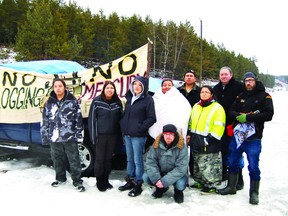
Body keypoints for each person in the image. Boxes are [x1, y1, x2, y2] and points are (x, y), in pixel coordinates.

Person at [216, 72, 274, 205]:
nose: (248, 83)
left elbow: (269, 114)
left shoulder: (264, 96)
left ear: (255, 81)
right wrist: (239, 116)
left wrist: (248, 117)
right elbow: (231, 111)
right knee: (232, 161)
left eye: (251, 80)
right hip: (237, 136)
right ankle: (231, 186)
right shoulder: (241, 95)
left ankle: (254, 193)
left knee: (253, 166)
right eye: (246, 80)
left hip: (254, 138)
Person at [41, 78, 85, 192]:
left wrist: (79, 135)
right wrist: (45, 135)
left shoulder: (72, 101)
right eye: (55, 86)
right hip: (54, 136)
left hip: (70, 136)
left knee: (74, 159)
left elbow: (78, 119)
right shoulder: (49, 102)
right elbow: (45, 119)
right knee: (57, 159)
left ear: (64, 87)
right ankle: (60, 178)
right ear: (53, 88)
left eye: (60, 86)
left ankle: (77, 181)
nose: (58, 88)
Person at [118, 76, 156, 197]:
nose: (137, 87)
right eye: (135, 84)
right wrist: (123, 124)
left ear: (144, 87)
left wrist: (140, 128)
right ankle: (130, 180)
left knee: (137, 160)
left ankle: (138, 183)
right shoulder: (129, 97)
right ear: (132, 86)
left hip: (138, 136)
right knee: (129, 159)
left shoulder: (148, 99)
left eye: (140, 85)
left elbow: (152, 118)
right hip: (128, 134)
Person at [187, 85, 226, 194]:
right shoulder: (196, 106)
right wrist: (190, 134)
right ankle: (200, 181)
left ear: (211, 94)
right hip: (196, 139)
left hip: (209, 140)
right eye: (202, 92)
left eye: (206, 92)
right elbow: (191, 122)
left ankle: (211, 184)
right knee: (198, 163)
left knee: (209, 164)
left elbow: (219, 125)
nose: (204, 94)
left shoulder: (217, 107)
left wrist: (210, 139)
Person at [213, 66, 245, 189]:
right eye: (221, 75)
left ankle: (239, 178)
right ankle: (224, 174)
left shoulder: (239, 87)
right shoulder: (216, 88)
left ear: (231, 75)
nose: (224, 76)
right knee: (223, 151)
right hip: (220, 126)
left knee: (236, 152)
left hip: (235, 125)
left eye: (226, 74)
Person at [88, 81, 122, 192]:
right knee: (100, 160)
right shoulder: (97, 101)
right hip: (100, 136)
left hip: (112, 136)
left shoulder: (117, 102)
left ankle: (106, 180)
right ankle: (99, 181)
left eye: (112, 88)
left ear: (114, 90)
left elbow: (120, 120)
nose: (109, 90)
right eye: (107, 88)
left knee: (108, 159)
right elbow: (92, 120)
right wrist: (93, 137)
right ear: (103, 89)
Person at [143, 124, 188, 203]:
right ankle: (160, 188)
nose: (168, 137)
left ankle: (178, 192)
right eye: (166, 134)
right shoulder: (156, 145)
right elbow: (150, 162)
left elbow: (181, 168)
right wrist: (157, 179)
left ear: (175, 135)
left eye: (170, 134)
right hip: (161, 173)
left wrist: (165, 181)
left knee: (180, 183)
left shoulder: (181, 147)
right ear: (163, 134)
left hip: (176, 174)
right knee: (146, 177)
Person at [177, 70, 201, 180]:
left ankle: (193, 171)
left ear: (195, 78)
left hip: (195, 123)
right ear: (184, 78)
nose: (189, 77)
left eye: (191, 76)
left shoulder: (200, 91)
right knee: (180, 148)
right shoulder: (178, 91)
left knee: (193, 150)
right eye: (187, 76)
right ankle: (181, 170)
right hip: (180, 122)